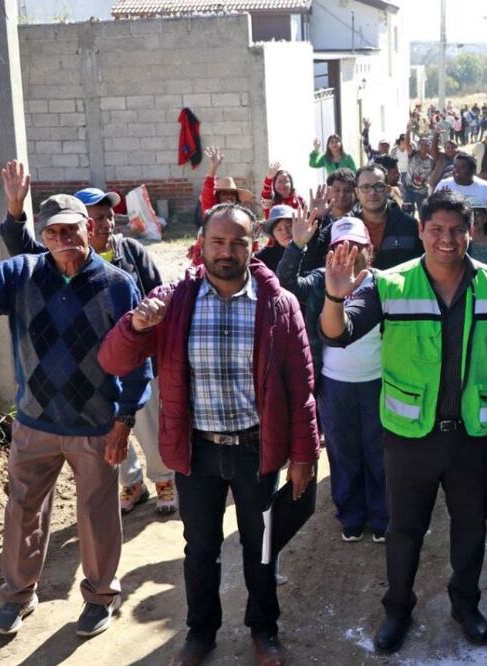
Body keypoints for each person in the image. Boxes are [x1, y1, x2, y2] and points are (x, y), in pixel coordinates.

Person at [98, 202, 320, 666]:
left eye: (239, 241)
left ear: (253, 245)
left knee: (260, 548)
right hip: (196, 451)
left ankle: (264, 630)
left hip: (255, 450)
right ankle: (201, 634)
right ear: (201, 245)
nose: (227, 250)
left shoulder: (278, 304)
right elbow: (114, 362)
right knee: (200, 550)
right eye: (218, 241)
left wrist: (304, 456)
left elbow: (301, 387)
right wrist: (136, 324)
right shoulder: (173, 302)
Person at [320, 189, 487, 655]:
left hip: (472, 438)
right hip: (408, 439)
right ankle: (397, 609)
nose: (447, 239)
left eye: (457, 230)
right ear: (420, 231)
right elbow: (338, 334)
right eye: (436, 229)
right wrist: (335, 296)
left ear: (471, 233)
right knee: (404, 530)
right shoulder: (389, 284)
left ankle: (465, 604)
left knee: (471, 527)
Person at [0, 191, 151, 638]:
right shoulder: (21, 274)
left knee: (97, 515)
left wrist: (125, 418)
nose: (63, 239)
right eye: (52, 232)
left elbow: (137, 356)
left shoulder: (116, 284)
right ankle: (18, 595)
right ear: (42, 236)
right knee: (23, 512)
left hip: (95, 425)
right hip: (34, 422)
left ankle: (99, 598)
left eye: (71, 230)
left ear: (89, 230)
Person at [0, 162, 174, 515]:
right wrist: (16, 207)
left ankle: (163, 478)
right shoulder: (56, 257)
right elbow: (20, 247)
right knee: (108, 432)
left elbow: (162, 293)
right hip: (88, 366)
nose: (106, 224)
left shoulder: (131, 253)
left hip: (134, 358)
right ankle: (132, 484)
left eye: (108, 216)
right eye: (98, 217)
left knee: (148, 417)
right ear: (80, 223)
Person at [277, 210, 388, 543]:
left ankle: (383, 517)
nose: (348, 252)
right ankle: (352, 517)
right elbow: (284, 286)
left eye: (356, 245)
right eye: (341, 245)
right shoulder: (319, 279)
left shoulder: (383, 282)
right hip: (334, 386)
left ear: (369, 248)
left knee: (379, 452)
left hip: (377, 383)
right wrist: (296, 246)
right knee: (343, 453)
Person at [352, 164, 424, 270]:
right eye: (365, 187)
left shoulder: (411, 226)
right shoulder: (344, 227)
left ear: (388, 190)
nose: (372, 192)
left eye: (379, 186)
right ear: (357, 192)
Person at [199, 146, 254, 217]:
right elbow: (208, 188)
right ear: (218, 198)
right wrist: (213, 168)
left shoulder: (240, 216)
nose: (229, 196)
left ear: (237, 199)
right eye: (224, 194)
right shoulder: (211, 210)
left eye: (232, 194)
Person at [256, 204, 295, 273]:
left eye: (289, 226)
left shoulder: (312, 248)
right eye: (279, 229)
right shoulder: (265, 256)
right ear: (273, 236)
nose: (285, 232)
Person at [405, 136, 435, 214]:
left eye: (426, 145)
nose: (424, 146)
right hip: (408, 190)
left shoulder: (431, 160)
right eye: (422, 144)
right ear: (418, 146)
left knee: (423, 214)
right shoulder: (413, 154)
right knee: (407, 213)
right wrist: (408, 131)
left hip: (422, 192)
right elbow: (407, 144)